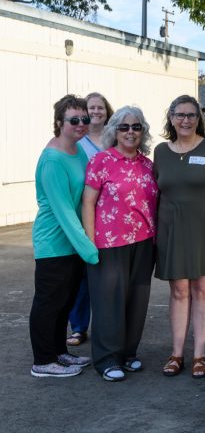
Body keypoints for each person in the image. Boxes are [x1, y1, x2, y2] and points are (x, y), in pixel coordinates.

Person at [153, 95, 205, 379]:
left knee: (203, 289)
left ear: (198, 119)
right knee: (179, 291)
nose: (185, 120)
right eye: (180, 115)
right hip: (172, 231)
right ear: (171, 118)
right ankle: (177, 353)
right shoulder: (161, 151)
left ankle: (200, 354)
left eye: (191, 115)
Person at [81, 106, 157, 382]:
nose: (130, 132)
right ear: (114, 131)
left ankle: (127, 354)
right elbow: (88, 202)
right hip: (108, 242)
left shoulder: (148, 164)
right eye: (124, 127)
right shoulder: (101, 161)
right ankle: (106, 359)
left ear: (143, 132)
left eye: (136, 127)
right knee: (108, 302)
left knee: (137, 300)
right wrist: (90, 242)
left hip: (145, 241)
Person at [30, 94, 99, 377]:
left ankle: (58, 352)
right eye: (74, 120)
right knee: (49, 303)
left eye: (85, 119)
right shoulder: (53, 159)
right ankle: (43, 361)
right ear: (59, 122)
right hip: (54, 242)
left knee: (65, 301)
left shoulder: (77, 150)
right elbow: (64, 212)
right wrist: (91, 250)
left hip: (72, 244)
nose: (81, 124)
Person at [66, 92, 114, 348]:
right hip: (82, 209)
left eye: (99, 108)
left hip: (111, 215)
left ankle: (107, 326)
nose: (95, 112)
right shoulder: (77, 139)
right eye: (90, 108)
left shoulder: (114, 137)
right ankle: (79, 327)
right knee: (82, 272)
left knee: (107, 274)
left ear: (107, 111)